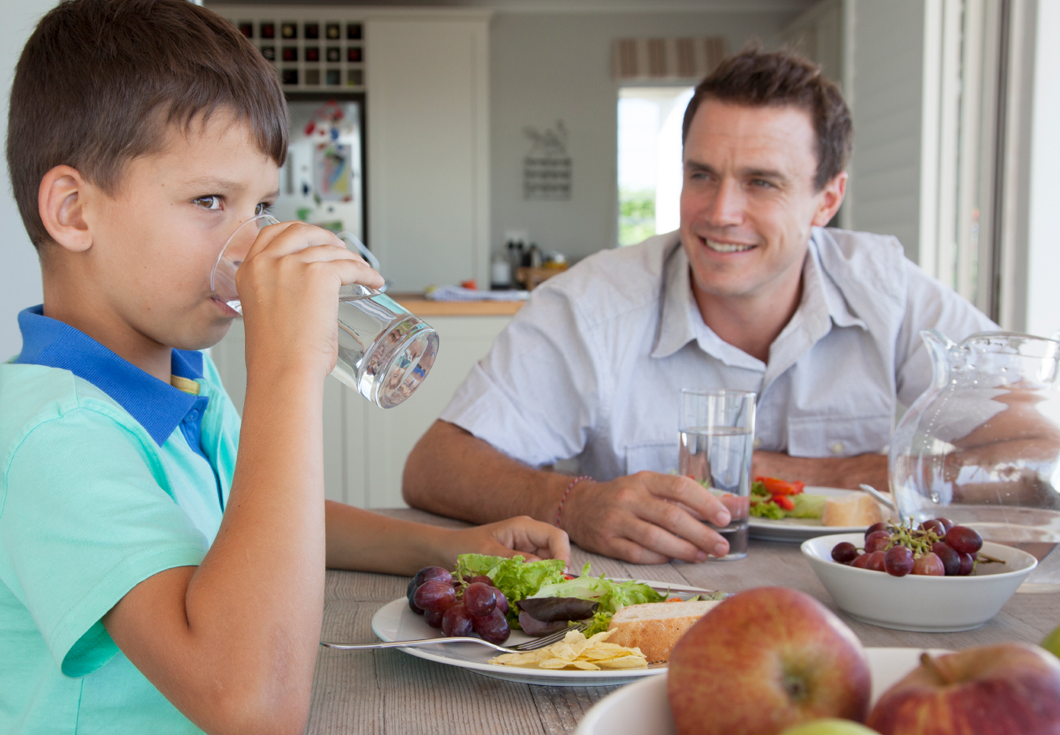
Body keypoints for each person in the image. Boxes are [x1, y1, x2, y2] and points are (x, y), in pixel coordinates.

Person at [0, 0, 568, 735]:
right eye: (211, 201)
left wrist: (455, 550)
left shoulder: (184, 371)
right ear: (74, 211)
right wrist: (285, 370)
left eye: (262, 206)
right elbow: (254, 705)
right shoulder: (54, 439)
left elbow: (259, 518)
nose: (251, 245)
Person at [403, 47, 995, 565]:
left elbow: (1038, 447)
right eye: (702, 174)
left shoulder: (887, 288)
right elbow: (434, 466)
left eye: (762, 182)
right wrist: (574, 503)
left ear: (827, 199)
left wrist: (799, 475)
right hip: (645, 624)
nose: (720, 212)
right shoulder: (591, 304)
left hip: (860, 610)